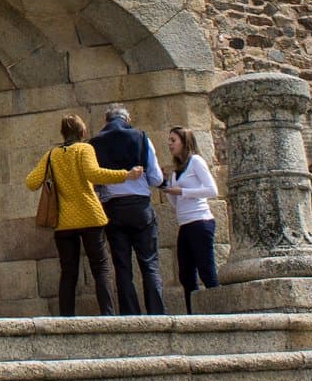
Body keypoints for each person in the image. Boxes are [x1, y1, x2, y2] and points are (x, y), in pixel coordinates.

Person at [27, 114, 143, 315]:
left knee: (68, 272)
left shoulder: (51, 155)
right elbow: (94, 174)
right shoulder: (84, 149)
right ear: (83, 132)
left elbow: (31, 182)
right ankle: (108, 315)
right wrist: (127, 175)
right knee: (101, 269)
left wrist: (50, 176)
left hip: (63, 222)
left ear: (63, 133)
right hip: (90, 216)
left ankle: (66, 319)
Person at [90, 104, 167, 315]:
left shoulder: (95, 144)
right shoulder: (141, 137)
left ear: (106, 121)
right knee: (149, 262)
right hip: (140, 206)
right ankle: (157, 313)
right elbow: (156, 178)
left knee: (122, 266)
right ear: (127, 119)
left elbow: (95, 180)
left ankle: (130, 315)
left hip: (113, 208)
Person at [161, 126, 220, 313]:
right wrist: (167, 188)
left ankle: (218, 312)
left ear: (184, 142)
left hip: (200, 221)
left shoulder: (196, 161)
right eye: (169, 140)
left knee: (206, 270)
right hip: (185, 224)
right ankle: (193, 313)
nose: (170, 144)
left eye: (173, 140)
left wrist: (183, 191)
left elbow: (212, 190)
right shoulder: (176, 171)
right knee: (186, 275)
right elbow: (176, 203)